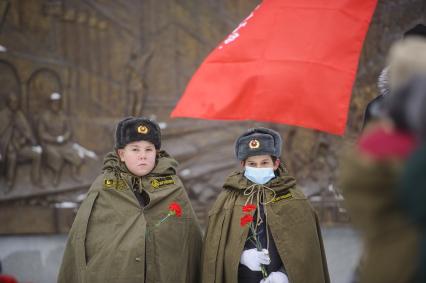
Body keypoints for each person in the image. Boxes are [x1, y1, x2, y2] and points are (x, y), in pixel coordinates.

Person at [57, 117, 202, 283]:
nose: (143, 156)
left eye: (149, 150)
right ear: (122, 154)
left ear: (157, 153)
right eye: (135, 149)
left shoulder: (172, 187)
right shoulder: (104, 186)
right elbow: (82, 240)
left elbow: (190, 241)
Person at [202, 127, 330, 283]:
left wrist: (284, 275)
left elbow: (307, 251)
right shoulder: (229, 198)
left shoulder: (293, 197)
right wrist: (241, 257)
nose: (258, 168)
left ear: (275, 163)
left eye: (264, 163)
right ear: (243, 164)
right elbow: (214, 250)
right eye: (252, 164)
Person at [38, 92, 82, 185]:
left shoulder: (63, 116)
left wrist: (64, 137)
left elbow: (69, 130)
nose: (56, 105)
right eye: (54, 103)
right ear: (50, 104)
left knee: (75, 153)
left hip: (63, 143)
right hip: (50, 144)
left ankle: (74, 174)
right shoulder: (44, 117)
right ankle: (56, 176)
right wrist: (54, 139)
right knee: (55, 156)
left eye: (58, 103)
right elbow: (42, 134)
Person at [0, 92, 42, 189]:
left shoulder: (19, 115)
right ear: (8, 103)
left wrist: (24, 140)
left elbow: (27, 132)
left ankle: (35, 180)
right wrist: (9, 145)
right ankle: (9, 183)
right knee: (12, 157)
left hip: (20, 147)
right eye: (13, 102)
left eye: (16, 102)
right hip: (7, 149)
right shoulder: (2, 116)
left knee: (37, 154)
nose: (15, 104)